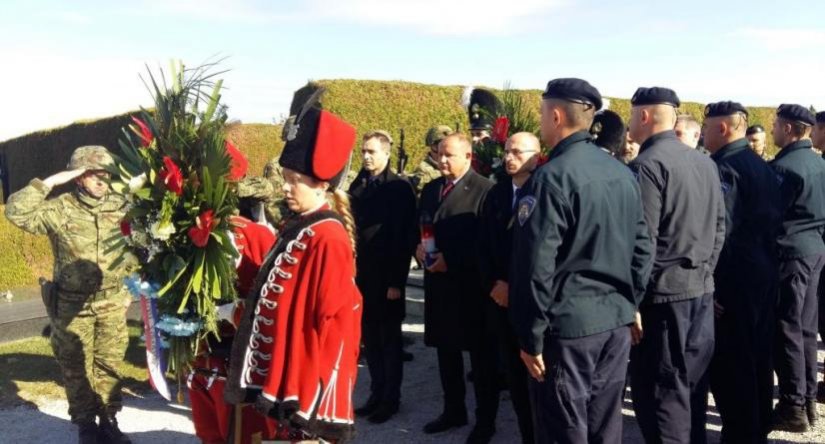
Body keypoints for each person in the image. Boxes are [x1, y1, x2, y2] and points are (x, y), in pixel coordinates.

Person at [224, 89, 363, 442]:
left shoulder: (327, 237)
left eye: (293, 181)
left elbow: (331, 320)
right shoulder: (300, 225)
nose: (285, 188)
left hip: (306, 379)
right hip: (289, 371)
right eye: (285, 178)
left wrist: (308, 395)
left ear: (321, 185)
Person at [5, 145, 134, 444]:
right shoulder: (60, 208)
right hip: (71, 306)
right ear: (78, 177)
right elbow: (16, 211)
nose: (102, 181)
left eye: (106, 175)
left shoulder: (121, 205)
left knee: (109, 365)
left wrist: (129, 286)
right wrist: (50, 182)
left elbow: (139, 245)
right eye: (92, 175)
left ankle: (109, 418)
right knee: (75, 367)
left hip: (112, 302)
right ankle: (86, 424)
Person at [627, 87, 726, 444]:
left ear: (643, 116)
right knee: (691, 389)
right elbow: (719, 228)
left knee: (662, 394)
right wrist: (705, 272)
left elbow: (643, 242)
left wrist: (633, 301)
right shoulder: (704, 162)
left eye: (630, 113)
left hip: (663, 297)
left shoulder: (646, 166)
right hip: (699, 289)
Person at [702, 101, 782, 442]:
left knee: (733, 368)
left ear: (723, 128)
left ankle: (742, 434)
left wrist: (714, 287)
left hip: (735, 282)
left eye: (706, 127)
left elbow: (722, 230)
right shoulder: (759, 165)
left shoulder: (726, 167)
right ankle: (757, 427)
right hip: (763, 274)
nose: (703, 133)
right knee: (758, 360)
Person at [416, 132, 498, 443]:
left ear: (468, 156)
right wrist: (418, 249)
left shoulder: (485, 190)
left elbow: (485, 241)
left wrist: (453, 260)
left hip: (470, 288)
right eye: (439, 154)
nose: (442, 160)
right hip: (438, 286)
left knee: (481, 358)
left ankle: (485, 420)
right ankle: (454, 410)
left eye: (449, 155)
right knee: (445, 352)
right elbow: (421, 224)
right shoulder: (431, 188)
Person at [188, 216, 280, 444]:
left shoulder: (256, 234)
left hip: (238, 355)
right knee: (209, 429)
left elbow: (271, 304)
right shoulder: (178, 232)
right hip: (201, 353)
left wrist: (234, 312)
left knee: (243, 429)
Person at [349, 130, 417, 424]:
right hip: (362, 277)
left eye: (372, 152)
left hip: (387, 278)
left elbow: (404, 238)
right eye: (364, 151)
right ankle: (376, 393)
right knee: (371, 341)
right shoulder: (358, 185)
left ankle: (391, 399)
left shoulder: (399, 188)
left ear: (386, 154)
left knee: (389, 342)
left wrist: (395, 283)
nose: (366, 156)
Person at [478, 132, 540, 444]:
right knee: (513, 375)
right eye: (506, 151)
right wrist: (494, 283)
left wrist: (513, 286)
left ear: (536, 156)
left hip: (529, 298)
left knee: (537, 376)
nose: (509, 157)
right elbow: (485, 243)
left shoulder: (543, 190)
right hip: (498, 297)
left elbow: (540, 252)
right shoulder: (496, 193)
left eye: (517, 152)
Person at [769, 104, 825, 432]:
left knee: (787, 329)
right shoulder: (818, 163)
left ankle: (792, 404)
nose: (773, 130)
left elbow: (769, 214)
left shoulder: (785, 168)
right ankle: (805, 401)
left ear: (789, 129)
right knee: (805, 329)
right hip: (814, 251)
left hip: (790, 254)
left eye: (776, 125)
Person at [410, 125, 453, 195]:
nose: (441, 151)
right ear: (431, 146)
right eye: (437, 146)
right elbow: (420, 183)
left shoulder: (455, 164)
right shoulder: (423, 168)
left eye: (446, 146)